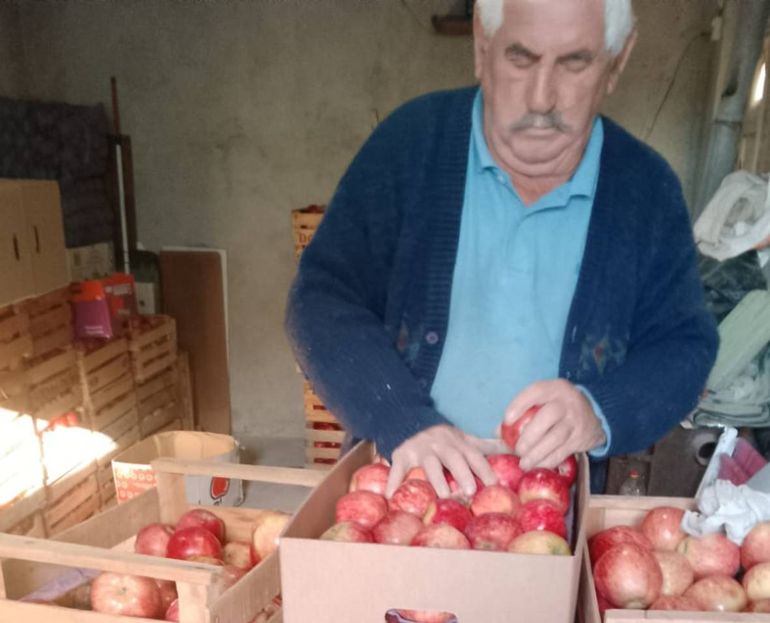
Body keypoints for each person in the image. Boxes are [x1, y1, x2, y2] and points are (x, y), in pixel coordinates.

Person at [285, 0, 719, 497]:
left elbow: (685, 344)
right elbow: (320, 297)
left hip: (550, 509)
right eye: (521, 58)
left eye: (575, 62)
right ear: (481, 45)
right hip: (402, 489)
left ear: (617, 61)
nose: (541, 98)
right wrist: (400, 416)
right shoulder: (408, 146)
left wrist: (599, 410)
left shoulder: (647, 189)